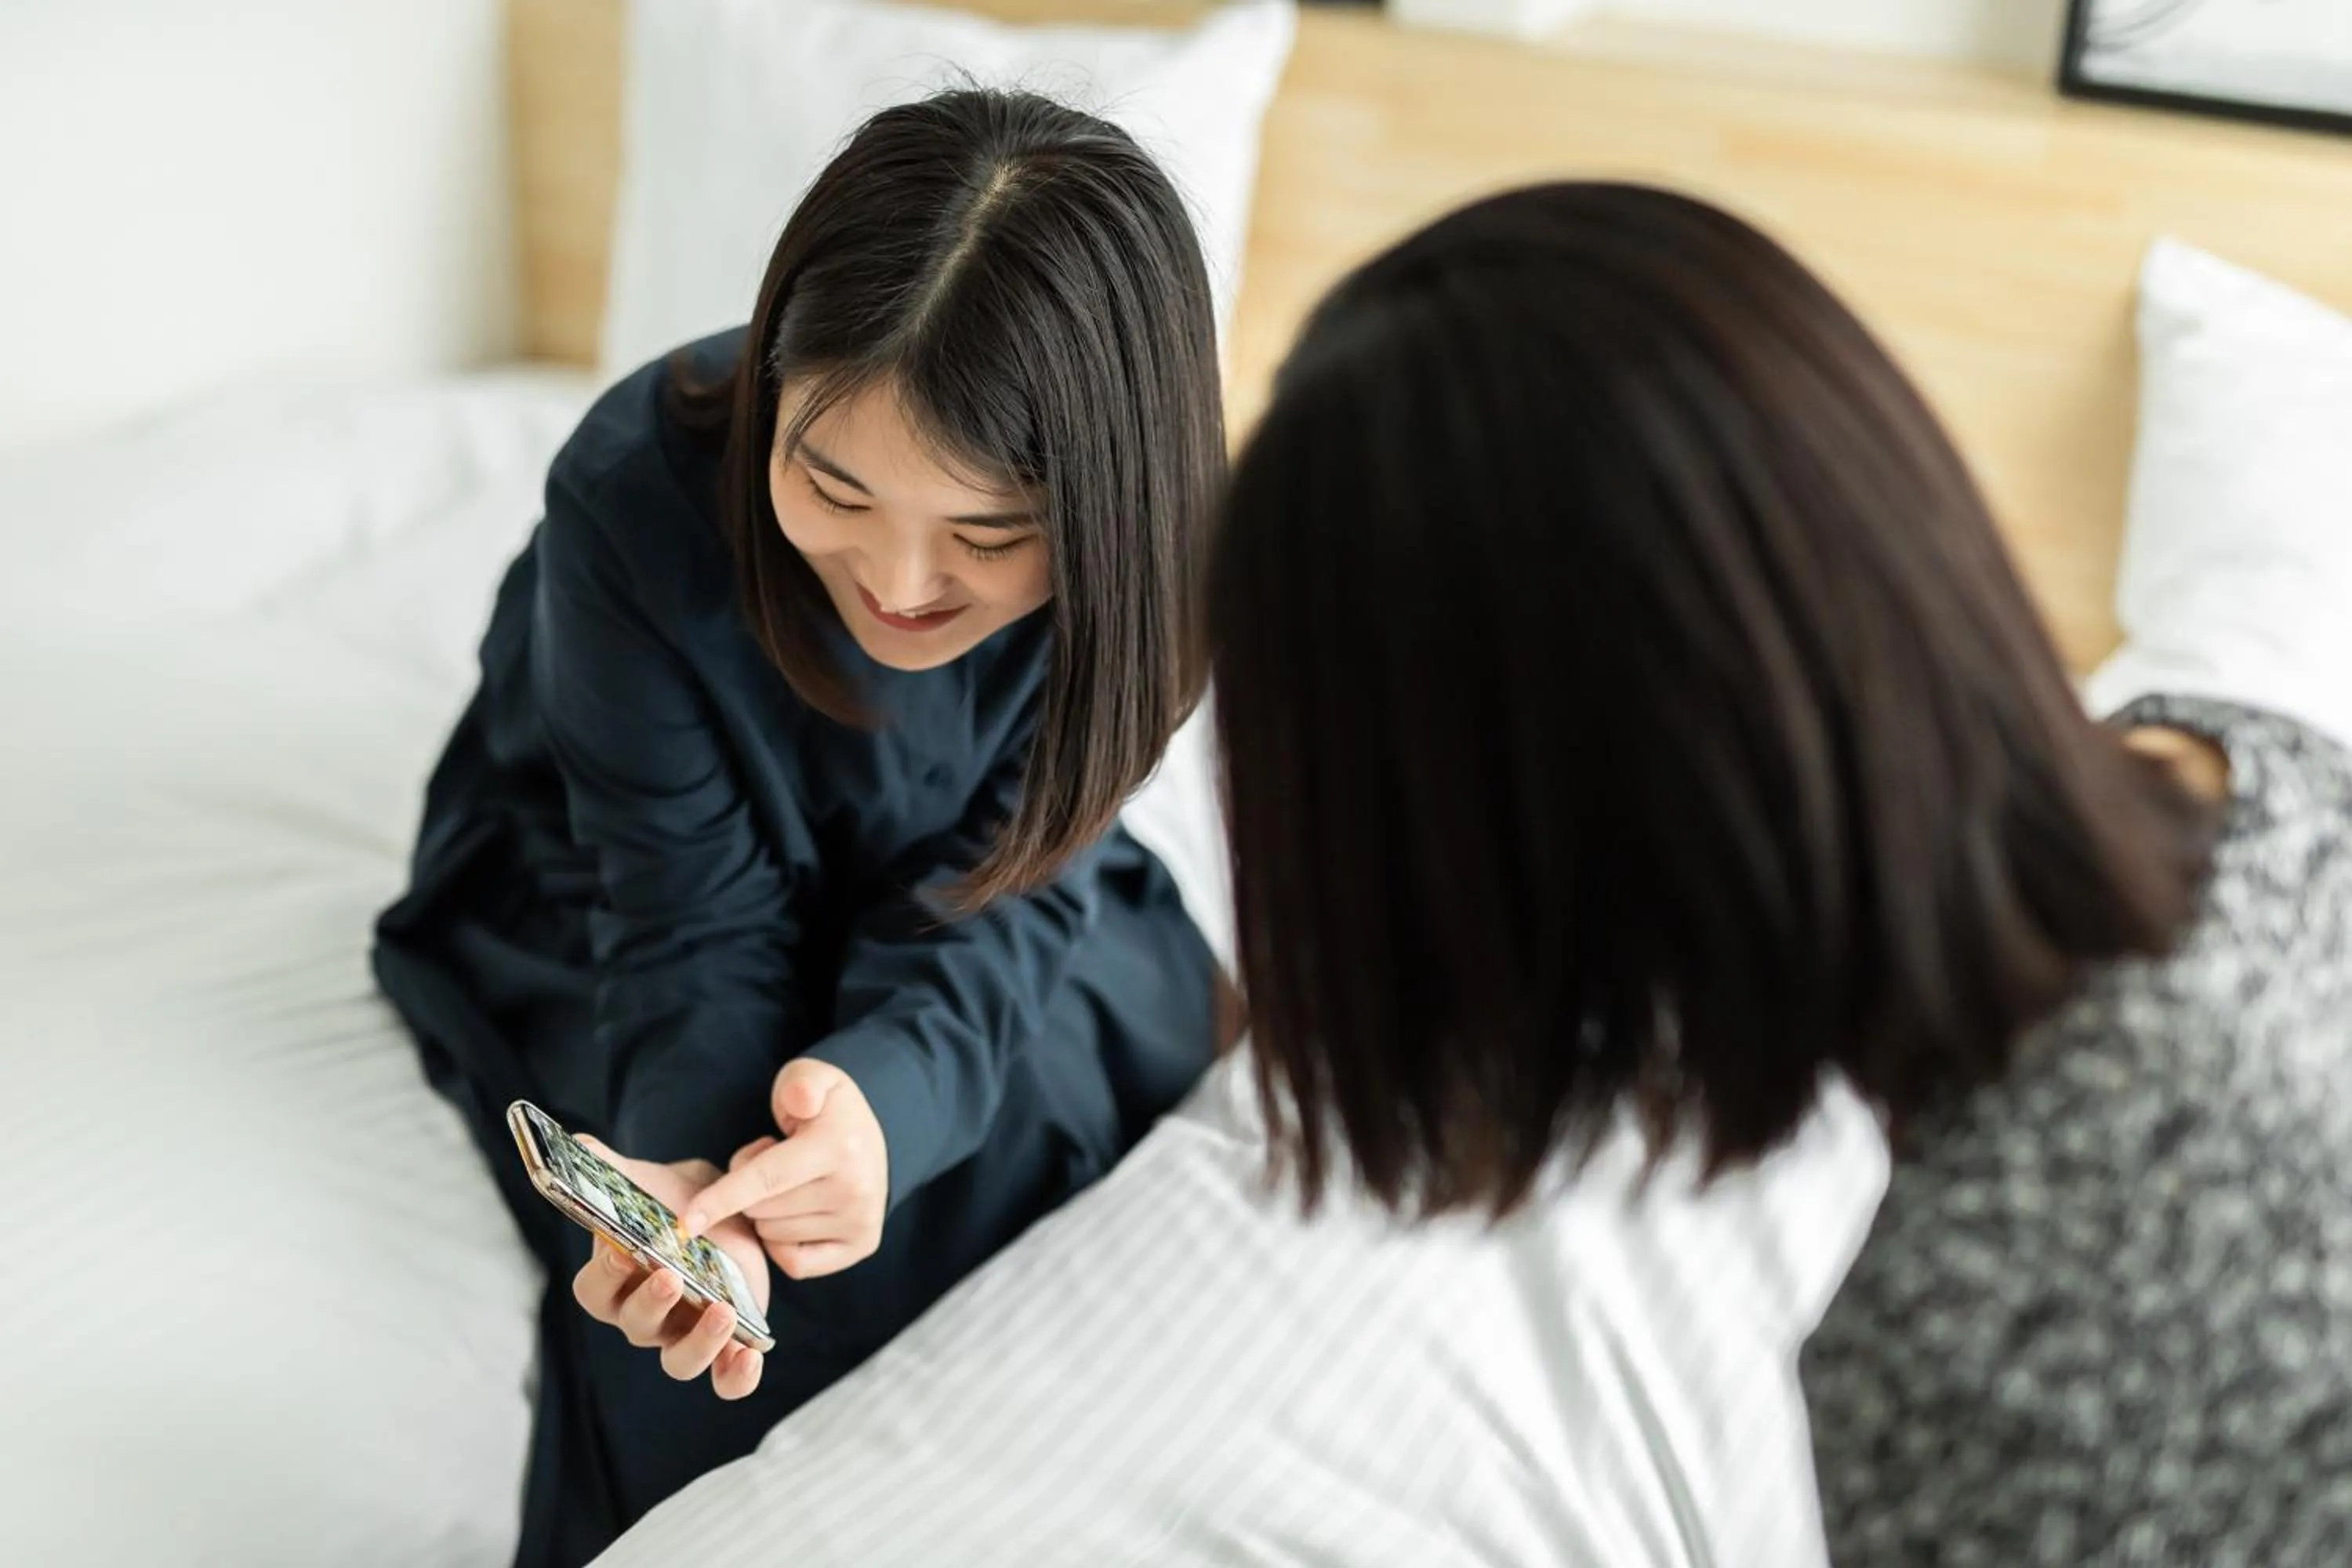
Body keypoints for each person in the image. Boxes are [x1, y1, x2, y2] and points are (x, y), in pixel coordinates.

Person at [372, 88, 1226, 1567]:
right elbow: (685, 920)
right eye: (832, 485)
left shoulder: (1166, 568)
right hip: (616, 878)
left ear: (1109, 510)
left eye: (990, 533)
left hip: (974, 875)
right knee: (736, 1307)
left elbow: (1021, 867)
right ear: (773, 387)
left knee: (1012, 1162)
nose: (898, 582)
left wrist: (884, 1105)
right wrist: (714, 1198)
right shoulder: (637, 495)